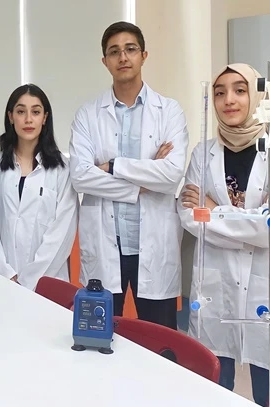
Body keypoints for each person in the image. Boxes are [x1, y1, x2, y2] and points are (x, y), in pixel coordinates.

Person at [178, 63, 270, 407]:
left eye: (239, 90)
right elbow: (188, 216)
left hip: (266, 286)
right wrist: (249, 222)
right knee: (212, 385)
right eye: (219, 93)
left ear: (256, 97)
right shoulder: (203, 153)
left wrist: (213, 210)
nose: (228, 100)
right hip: (215, 285)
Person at [68, 21, 188, 329]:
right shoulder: (88, 114)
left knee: (160, 340)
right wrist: (141, 184)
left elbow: (171, 174)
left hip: (154, 244)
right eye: (114, 51)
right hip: (106, 244)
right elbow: (80, 177)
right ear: (105, 61)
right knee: (99, 335)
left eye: (130, 49)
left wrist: (113, 166)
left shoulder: (169, 111)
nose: (123, 57)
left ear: (144, 55)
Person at [0, 84, 78, 290]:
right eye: (21, 112)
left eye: (35, 112)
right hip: (4, 279)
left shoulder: (62, 169)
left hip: (47, 280)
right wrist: (6, 272)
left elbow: (61, 233)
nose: (28, 119)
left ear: (45, 118)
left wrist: (28, 280)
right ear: (11, 117)